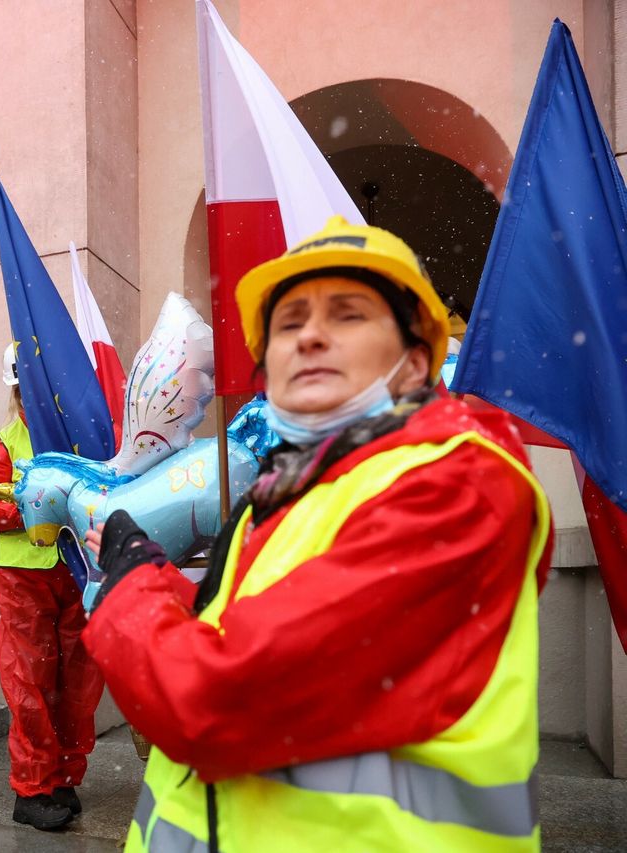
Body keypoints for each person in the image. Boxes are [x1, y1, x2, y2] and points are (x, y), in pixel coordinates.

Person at [83, 216, 553, 852]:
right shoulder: (283, 498)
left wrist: (131, 583)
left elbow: (217, 701)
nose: (309, 337)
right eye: (288, 322)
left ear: (417, 362)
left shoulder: (457, 482)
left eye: (348, 314)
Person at [0, 344, 105, 831]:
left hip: (76, 572)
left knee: (79, 685)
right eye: (25, 391)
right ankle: (33, 790)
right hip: (24, 576)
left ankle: (63, 779)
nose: (32, 399)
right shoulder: (7, 440)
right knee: (30, 685)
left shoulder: (81, 438)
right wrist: (27, 514)